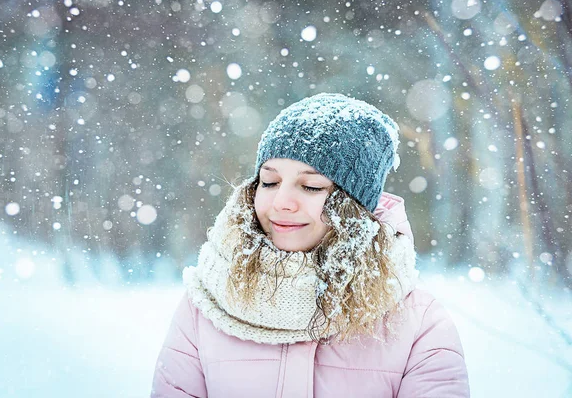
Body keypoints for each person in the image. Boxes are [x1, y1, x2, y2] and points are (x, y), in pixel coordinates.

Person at [151, 93, 470, 397]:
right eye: (270, 181)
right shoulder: (206, 305)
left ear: (354, 207)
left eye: (311, 185)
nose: (281, 202)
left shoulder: (417, 322)